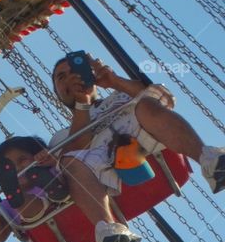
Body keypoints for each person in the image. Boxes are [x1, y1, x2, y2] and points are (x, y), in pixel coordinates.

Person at [50, 53, 225, 196]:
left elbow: (164, 100)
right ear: (56, 91)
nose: (71, 78)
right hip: (103, 168)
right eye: (62, 77)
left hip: (146, 142)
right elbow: (72, 158)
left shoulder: (120, 95)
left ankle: (208, 161)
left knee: (146, 103)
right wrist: (83, 103)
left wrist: (115, 81)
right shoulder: (62, 136)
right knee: (72, 159)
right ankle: (107, 226)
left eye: (75, 71)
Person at [0, 135, 140, 242]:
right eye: (10, 169)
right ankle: (29, 193)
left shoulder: (54, 167)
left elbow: (75, 169)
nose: (18, 168)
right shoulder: (9, 203)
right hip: (39, 214)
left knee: (64, 172)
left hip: (64, 190)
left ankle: (56, 191)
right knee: (24, 206)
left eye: (22, 160)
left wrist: (51, 160)